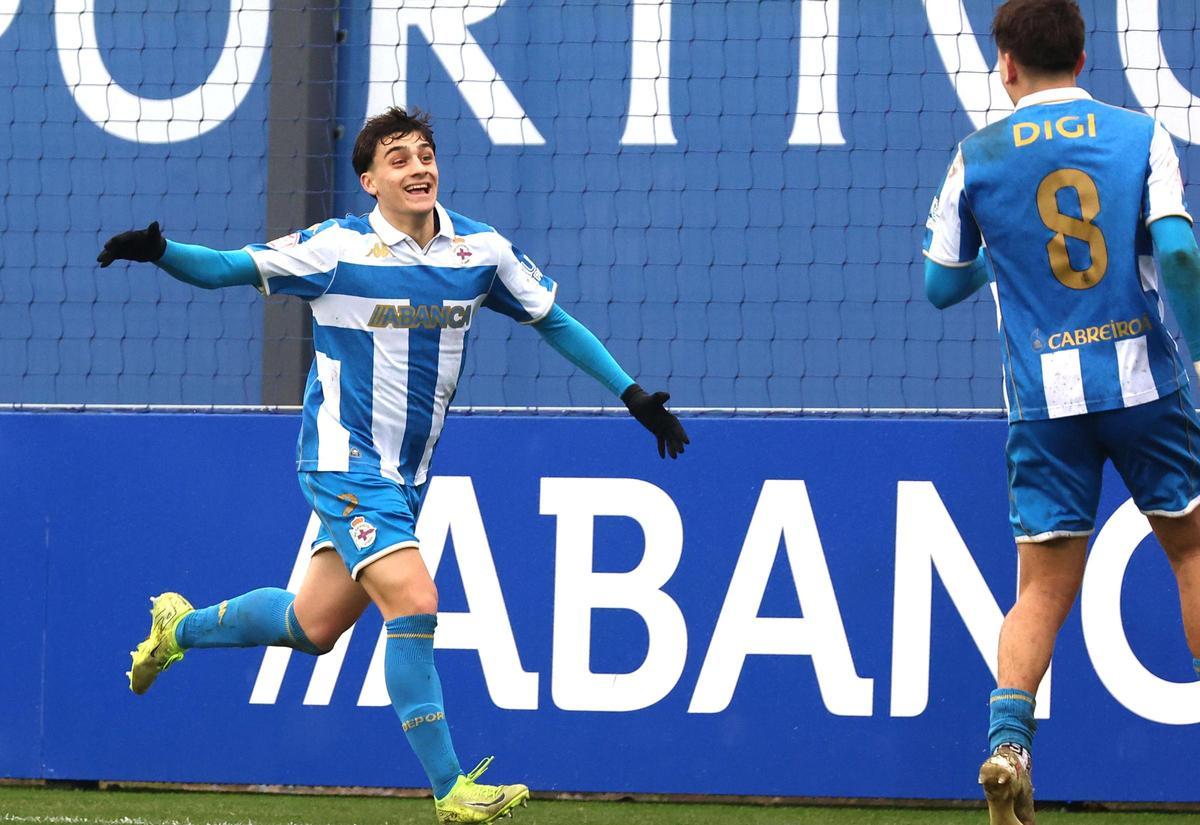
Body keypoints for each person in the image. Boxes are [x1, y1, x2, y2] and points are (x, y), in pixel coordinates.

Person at [100, 106, 689, 824]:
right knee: (414, 600)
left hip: (405, 479)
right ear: (369, 180)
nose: (419, 168)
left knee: (312, 626)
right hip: (342, 462)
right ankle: (451, 790)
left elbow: (553, 321)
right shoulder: (335, 249)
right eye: (399, 158)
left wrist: (631, 394)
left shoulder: (480, 251)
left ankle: (179, 628)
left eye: (426, 155)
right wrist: (163, 251)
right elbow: (230, 268)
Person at [922, 1, 1200, 822]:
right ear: (1083, 57)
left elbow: (940, 285)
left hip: (1044, 404)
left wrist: (999, 258)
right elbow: (1178, 249)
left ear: (1005, 64)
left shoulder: (975, 157)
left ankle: (1009, 743)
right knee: (1191, 551)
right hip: (1146, 387)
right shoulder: (1139, 135)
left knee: (1040, 590)